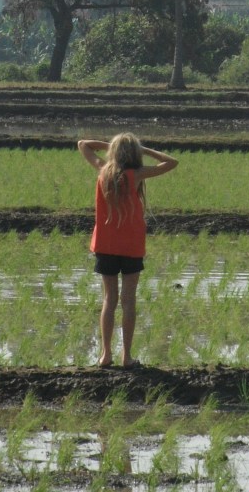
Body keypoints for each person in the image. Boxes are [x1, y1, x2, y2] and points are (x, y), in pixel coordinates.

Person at [78, 133, 178, 367]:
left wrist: (112, 148)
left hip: (105, 244)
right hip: (131, 245)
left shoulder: (103, 169)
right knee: (128, 301)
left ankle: (105, 355)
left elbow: (83, 144)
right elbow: (172, 162)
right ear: (133, 154)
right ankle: (127, 357)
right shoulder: (137, 175)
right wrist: (144, 151)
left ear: (114, 152)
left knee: (109, 299)